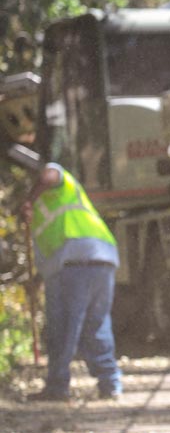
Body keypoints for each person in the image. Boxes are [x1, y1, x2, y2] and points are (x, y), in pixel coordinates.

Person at [21, 162, 123, 401]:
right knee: (96, 324)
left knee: (63, 325)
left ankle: (57, 386)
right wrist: (37, 279)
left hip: (76, 263)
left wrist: (30, 199)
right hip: (103, 258)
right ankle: (110, 383)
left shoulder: (58, 186)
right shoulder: (39, 220)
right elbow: (50, 254)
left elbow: (49, 173)